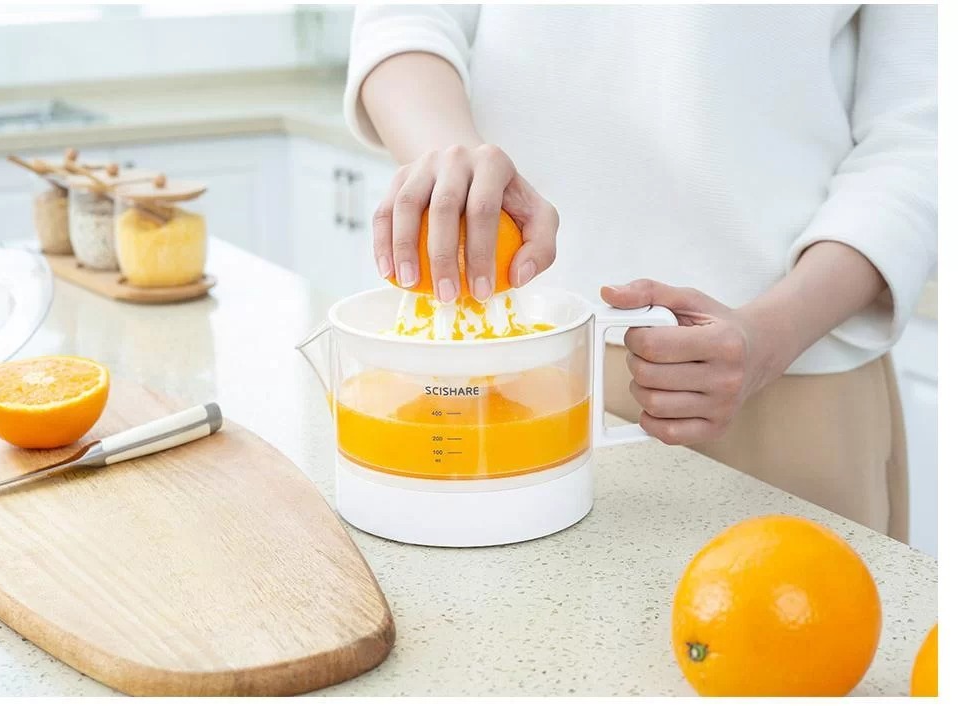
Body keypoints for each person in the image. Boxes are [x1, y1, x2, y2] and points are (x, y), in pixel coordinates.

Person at [342, 5, 937, 541]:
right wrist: (455, 162)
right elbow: (403, 20)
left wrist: (770, 337)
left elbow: (922, 137)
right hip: (511, 368)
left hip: (787, 376)